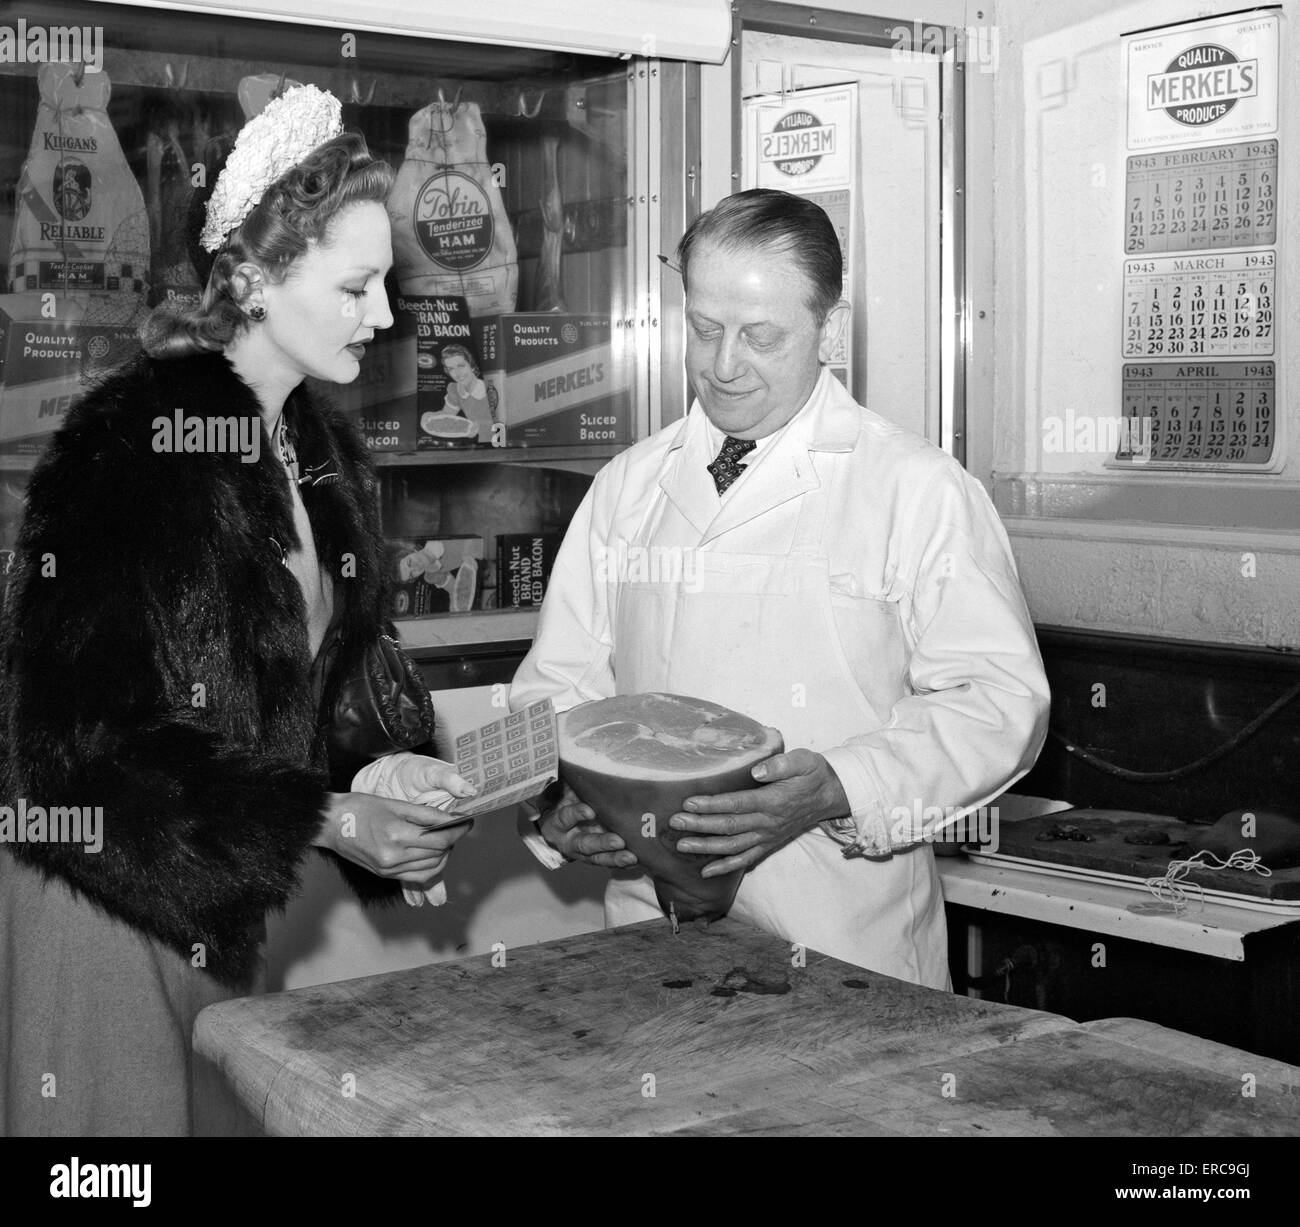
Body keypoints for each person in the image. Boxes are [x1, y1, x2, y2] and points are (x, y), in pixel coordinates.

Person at [0, 85, 472, 1136]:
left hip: (216, 906)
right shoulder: (132, 443)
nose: (385, 314)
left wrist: (371, 772)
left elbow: (294, 691)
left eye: (385, 283)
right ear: (254, 278)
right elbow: (67, 747)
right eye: (355, 287)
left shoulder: (317, 450)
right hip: (101, 910)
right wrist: (331, 818)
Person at [510, 189, 1050, 989]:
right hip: (651, 942)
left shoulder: (916, 488)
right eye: (703, 329)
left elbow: (997, 700)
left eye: (761, 336)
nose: (724, 365)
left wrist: (842, 784)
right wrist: (555, 808)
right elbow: (554, 689)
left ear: (830, 330)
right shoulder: (629, 485)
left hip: (847, 941)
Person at [441, 343, 495, 442]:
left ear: (471, 366)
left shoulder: (491, 388)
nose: (457, 373)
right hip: (483, 444)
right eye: (451, 369)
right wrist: (428, 416)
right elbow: (445, 417)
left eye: (461, 366)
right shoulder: (455, 390)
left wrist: (479, 427)